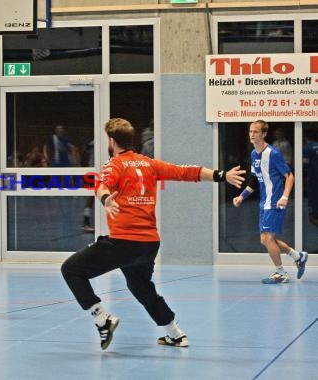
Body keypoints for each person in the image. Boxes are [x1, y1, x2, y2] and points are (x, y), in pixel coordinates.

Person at [61, 118, 246, 351]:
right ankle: (176, 334)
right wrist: (221, 175)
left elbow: (100, 184)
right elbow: (187, 172)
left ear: (111, 141)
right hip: (148, 244)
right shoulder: (149, 164)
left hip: (124, 242)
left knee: (71, 270)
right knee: (141, 287)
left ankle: (102, 318)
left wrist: (106, 199)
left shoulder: (114, 164)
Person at [233, 120, 308, 284]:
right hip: (264, 203)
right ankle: (298, 256)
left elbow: (289, 176)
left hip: (275, 202)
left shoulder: (273, 154)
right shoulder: (254, 154)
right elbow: (255, 181)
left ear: (264, 134)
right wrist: (241, 196)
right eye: (250, 131)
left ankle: (281, 273)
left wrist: (285, 197)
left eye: (256, 132)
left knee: (267, 238)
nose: (252, 134)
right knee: (265, 240)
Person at [303, 127, 318, 225]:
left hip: (313, 177)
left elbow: (305, 162)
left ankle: (315, 216)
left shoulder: (307, 147)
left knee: (314, 196)